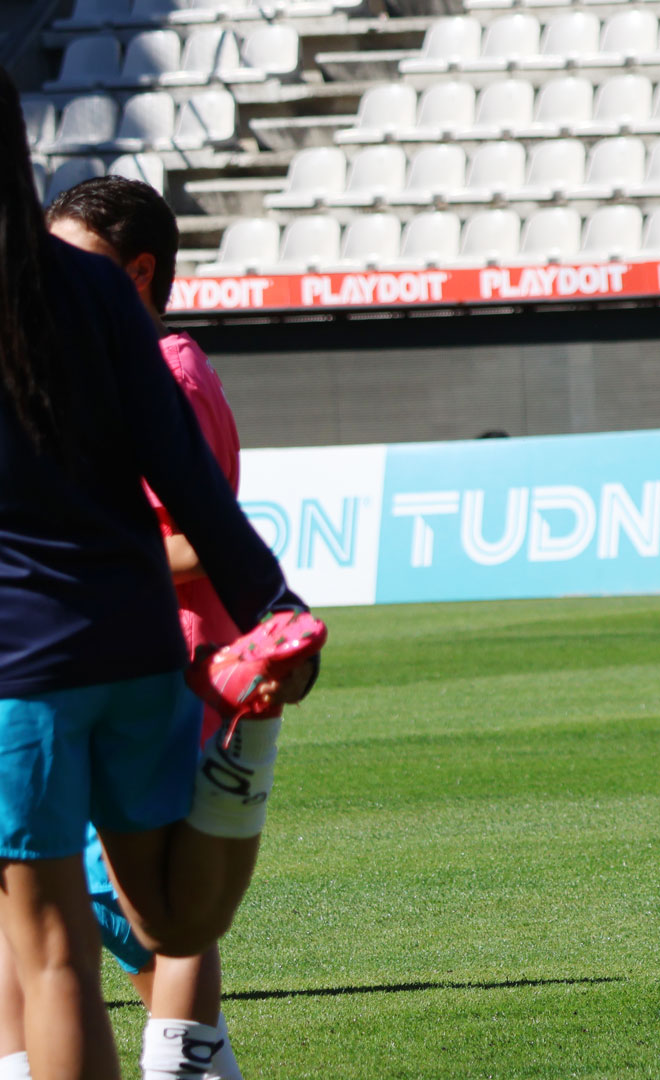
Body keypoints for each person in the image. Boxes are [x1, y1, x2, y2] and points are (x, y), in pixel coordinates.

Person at [0, 70, 315, 1080]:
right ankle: (248, 734)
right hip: (137, 647)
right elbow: (185, 473)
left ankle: (250, 738)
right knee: (177, 919)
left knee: (51, 960)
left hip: (19, 671)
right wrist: (274, 607)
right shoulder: (95, 285)